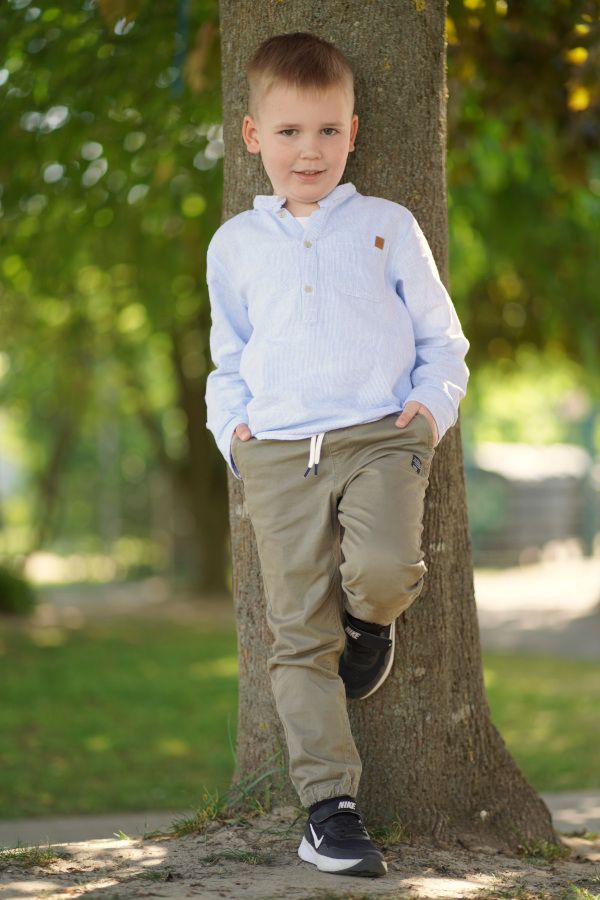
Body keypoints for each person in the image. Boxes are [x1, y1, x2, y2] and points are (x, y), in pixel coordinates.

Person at [204, 32, 470, 878]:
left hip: (379, 438)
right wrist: (233, 434)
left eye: (327, 130)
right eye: (289, 132)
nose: (309, 151)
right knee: (296, 635)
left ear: (353, 133)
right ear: (254, 137)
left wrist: (427, 413)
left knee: (385, 570)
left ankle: (369, 624)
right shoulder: (234, 246)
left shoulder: (388, 227)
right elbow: (227, 358)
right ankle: (330, 809)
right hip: (279, 454)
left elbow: (443, 340)